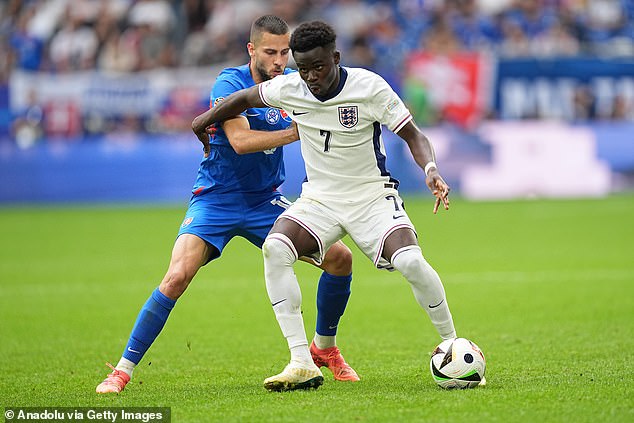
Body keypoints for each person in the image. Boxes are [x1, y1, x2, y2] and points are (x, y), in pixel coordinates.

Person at [96, 15, 359, 395]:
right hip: (216, 200)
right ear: (251, 50)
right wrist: (298, 131)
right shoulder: (230, 83)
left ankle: (324, 349)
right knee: (177, 276)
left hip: (265, 201)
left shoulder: (293, 83)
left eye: (284, 52)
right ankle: (121, 371)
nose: (279, 60)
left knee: (340, 259)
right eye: (270, 52)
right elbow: (239, 141)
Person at [191, 20, 457, 392]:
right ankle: (301, 361)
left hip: (371, 196)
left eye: (318, 67)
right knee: (275, 248)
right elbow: (243, 99)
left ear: (335, 57)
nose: (311, 77)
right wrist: (203, 121)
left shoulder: (369, 87)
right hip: (320, 197)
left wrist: (430, 170)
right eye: (303, 68)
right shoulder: (291, 87)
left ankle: (452, 343)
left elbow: (414, 134)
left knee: (410, 261)